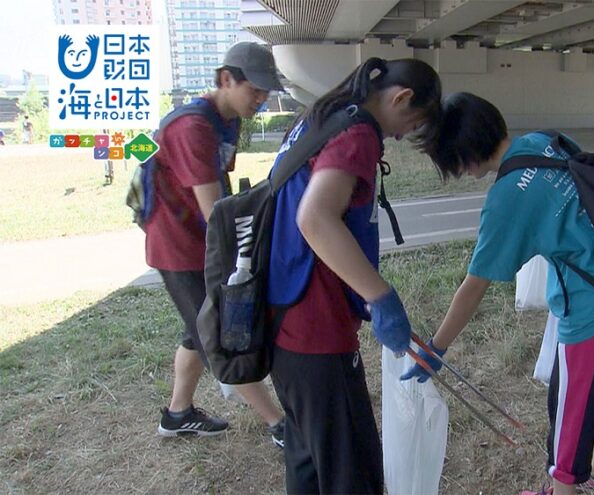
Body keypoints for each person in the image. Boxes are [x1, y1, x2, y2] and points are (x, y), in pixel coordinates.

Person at [401, 92, 594, 495]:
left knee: (569, 409)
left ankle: (567, 489)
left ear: (463, 152)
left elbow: (474, 286)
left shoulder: (506, 199)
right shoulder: (545, 140)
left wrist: (436, 348)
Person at [268, 57, 441, 494]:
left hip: (280, 321)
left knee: (309, 460)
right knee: (353, 474)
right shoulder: (358, 132)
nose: (399, 135)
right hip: (316, 328)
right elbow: (316, 219)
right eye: (410, 121)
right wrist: (381, 297)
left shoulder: (321, 116)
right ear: (401, 97)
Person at [146, 42, 286, 446]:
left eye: (265, 92)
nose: (260, 100)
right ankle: (279, 425)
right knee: (218, 338)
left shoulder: (227, 121)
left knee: (196, 331)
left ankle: (177, 414)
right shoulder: (193, 128)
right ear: (226, 79)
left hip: (198, 243)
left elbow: (221, 190)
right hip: (179, 249)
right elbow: (215, 214)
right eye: (254, 91)